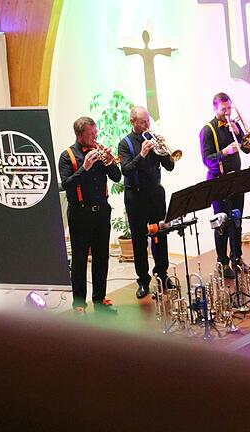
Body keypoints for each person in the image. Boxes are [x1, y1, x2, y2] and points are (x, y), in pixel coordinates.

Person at [58, 116, 121, 314]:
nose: (95, 137)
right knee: (79, 260)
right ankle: (79, 303)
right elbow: (67, 185)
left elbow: (117, 177)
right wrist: (84, 168)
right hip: (80, 214)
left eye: (96, 133)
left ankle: (100, 299)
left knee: (102, 257)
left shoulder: (99, 152)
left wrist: (110, 162)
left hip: (101, 211)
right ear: (79, 135)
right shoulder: (67, 156)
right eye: (91, 134)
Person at [118, 106, 175, 299]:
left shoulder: (152, 139)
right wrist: (141, 154)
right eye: (143, 122)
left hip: (156, 194)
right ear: (133, 122)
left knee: (160, 234)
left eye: (148, 121)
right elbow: (126, 170)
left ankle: (163, 275)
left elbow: (170, 167)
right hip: (136, 196)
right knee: (139, 240)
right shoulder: (124, 144)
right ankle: (143, 281)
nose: (147, 125)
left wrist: (164, 151)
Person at [200, 92, 250, 279]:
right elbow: (207, 159)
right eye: (224, 109)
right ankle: (222, 263)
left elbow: (247, 148)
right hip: (218, 181)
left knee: (237, 221)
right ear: (215, 108)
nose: (228, 113)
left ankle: (237, 258)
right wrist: (224, 152)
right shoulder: (208, 130)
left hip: (236, 179)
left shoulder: (234, 125)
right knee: (222, 224)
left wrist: (240, 135)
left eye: (229, 108)